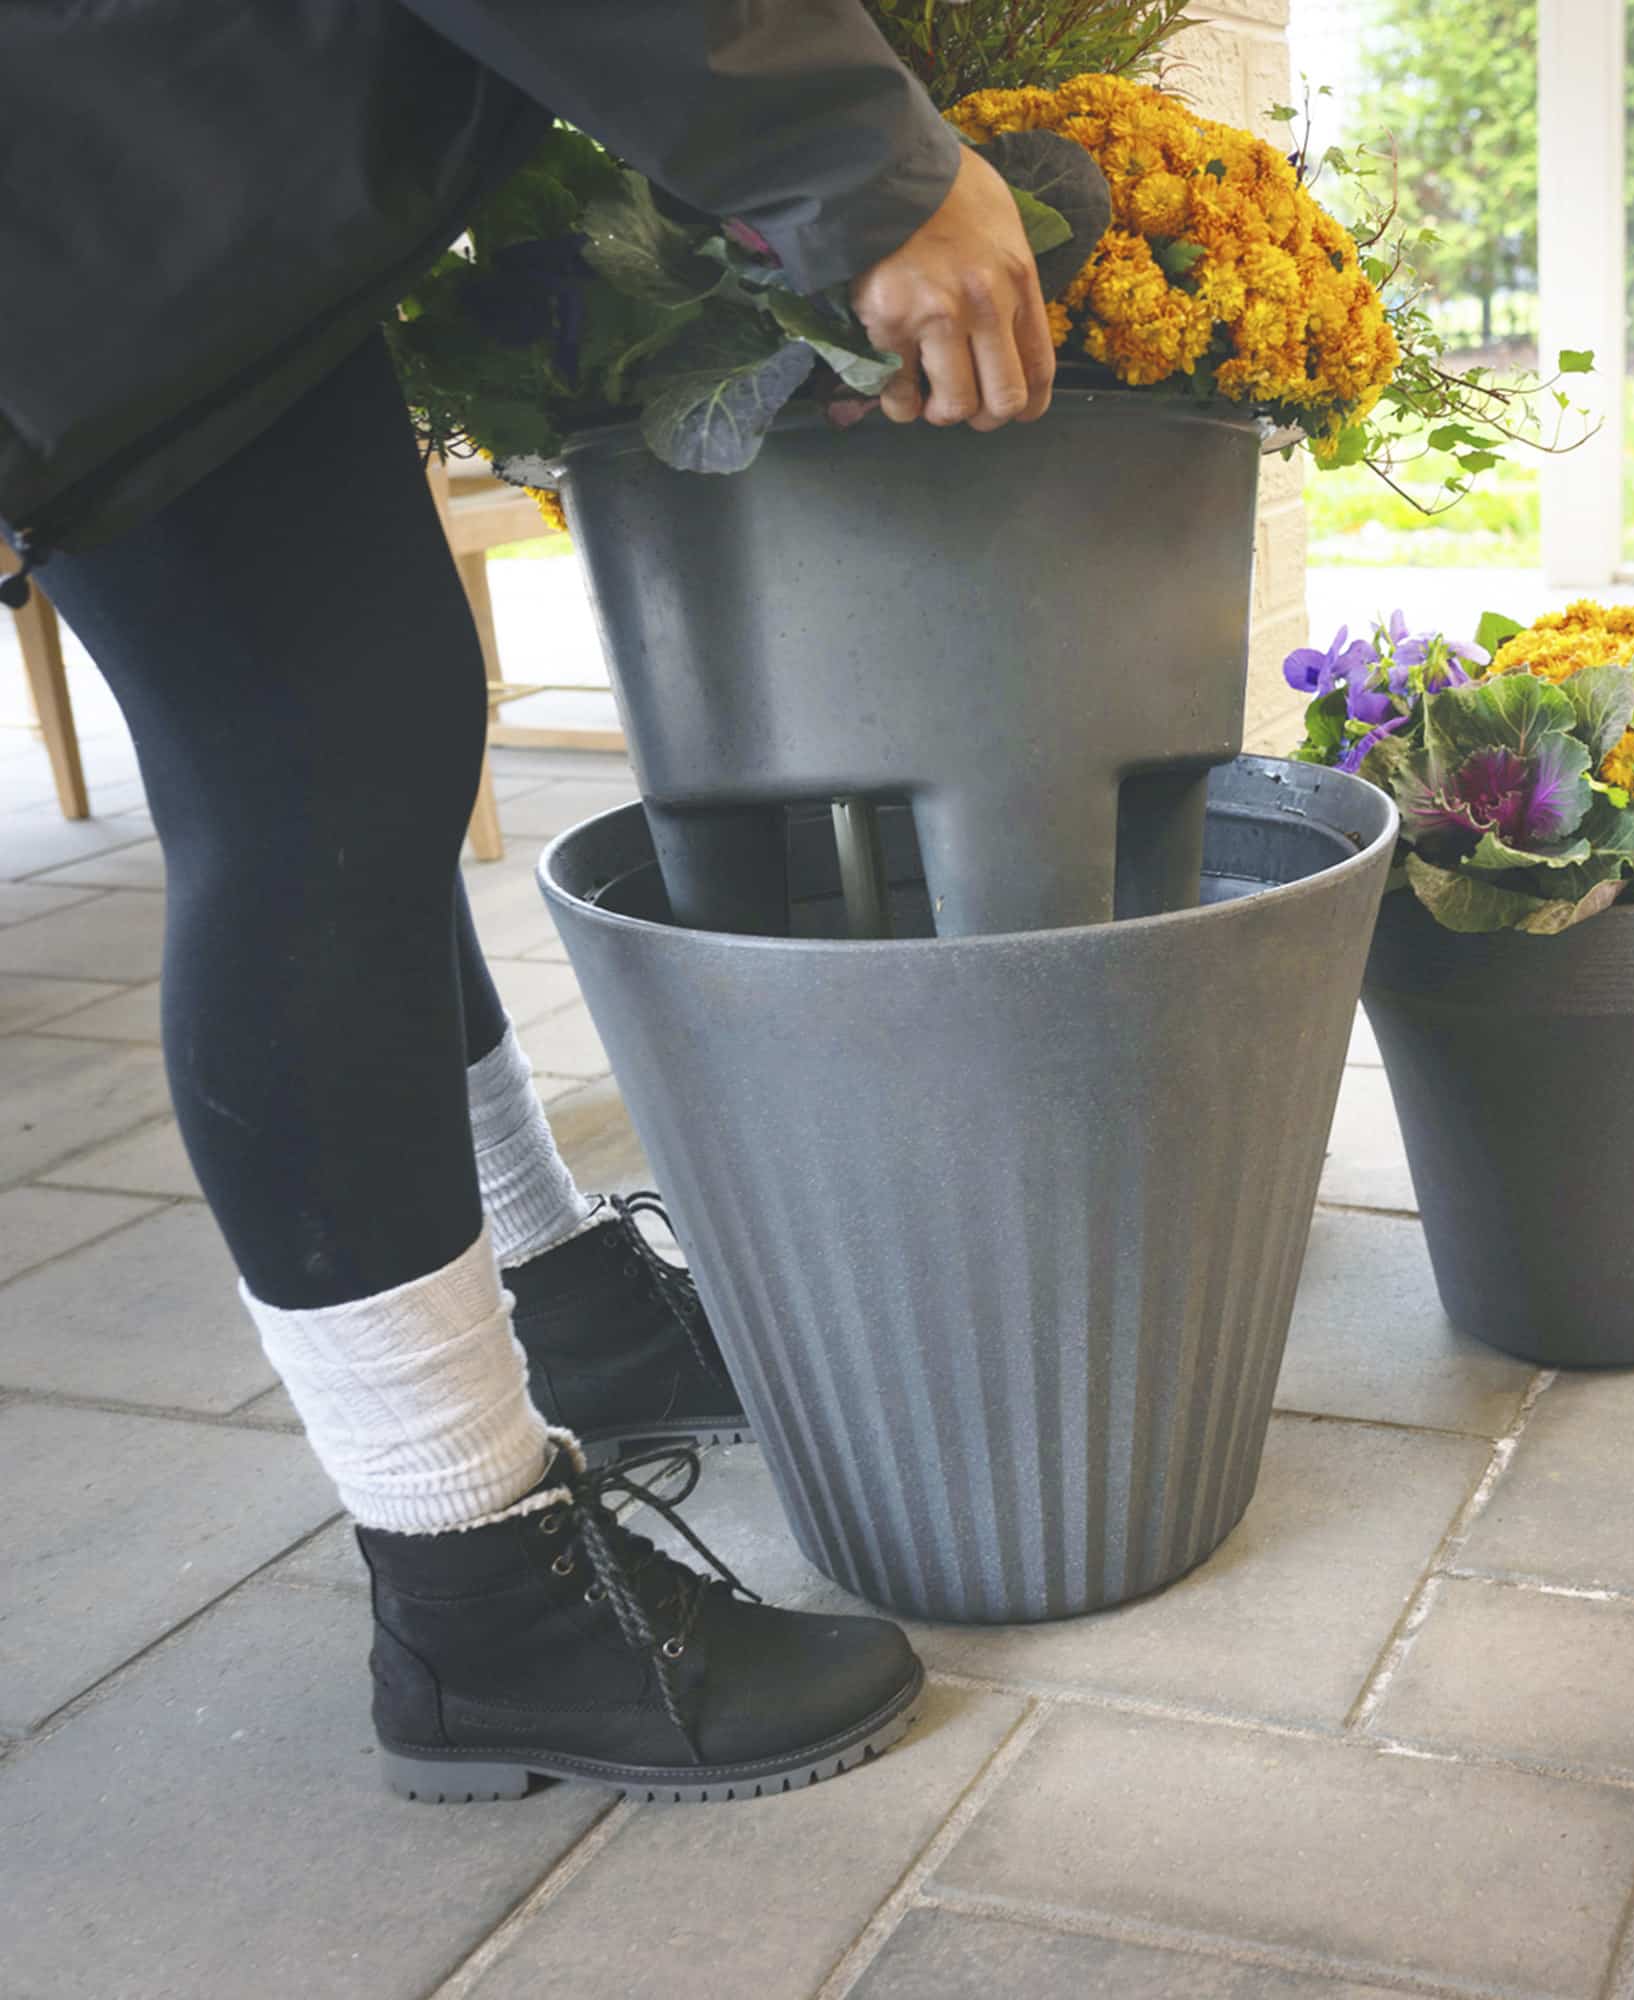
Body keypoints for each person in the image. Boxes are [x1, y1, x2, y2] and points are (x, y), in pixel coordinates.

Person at [1, 2, 1055, 1804]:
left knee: (363, 735)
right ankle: (478, 1597)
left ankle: (565, 1301)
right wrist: (858, 161)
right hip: (97, 167)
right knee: (308, 787)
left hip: (151, 156)